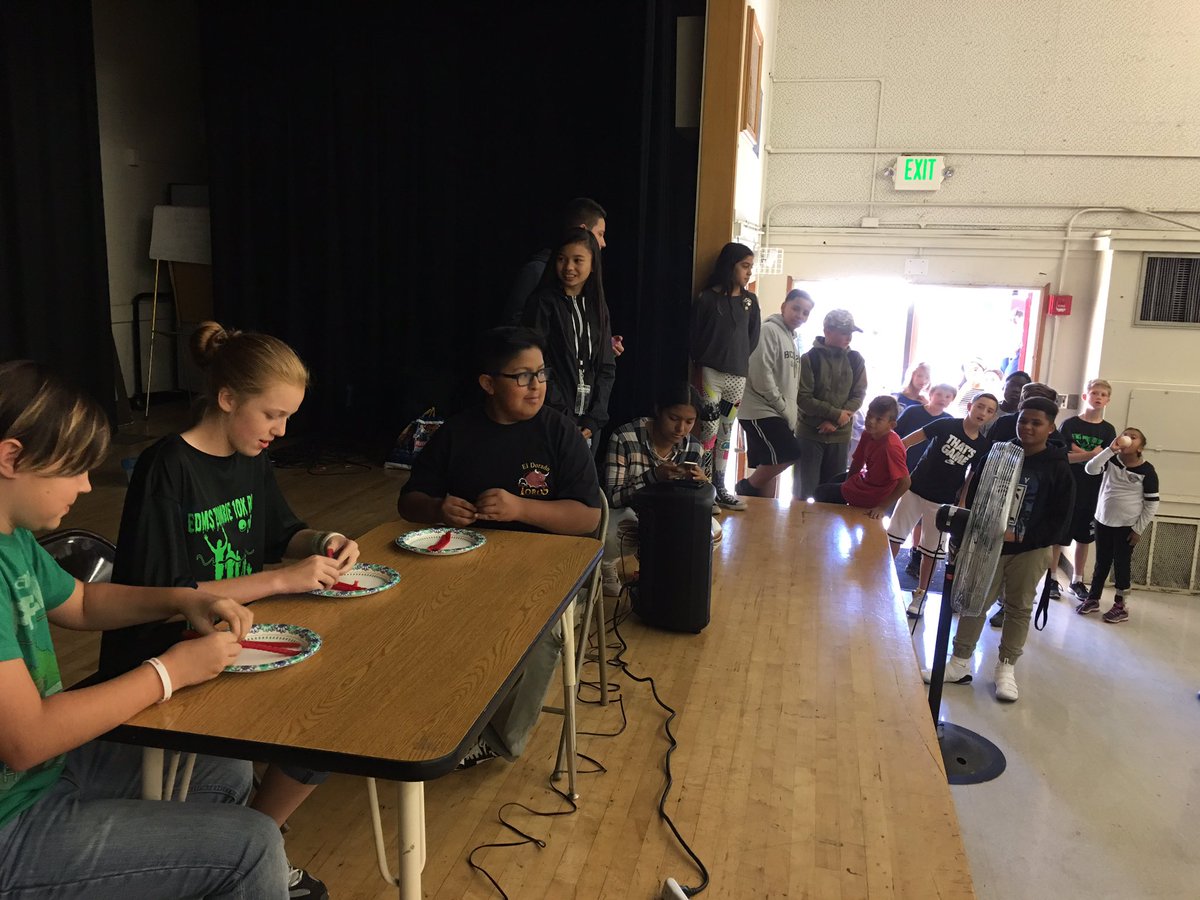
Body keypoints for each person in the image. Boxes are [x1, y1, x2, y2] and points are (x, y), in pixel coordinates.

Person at [0, 360, 289, 898]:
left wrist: (184, 598)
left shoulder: (10, 535)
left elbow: (82, 602)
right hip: (10, 824)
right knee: (252, 847)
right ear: (12, 457)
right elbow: (26, 740)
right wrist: (168, 673)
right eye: (74, 468)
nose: (88, 485)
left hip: (39, 778)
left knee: (223, 771)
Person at [100, 322, 357, 900]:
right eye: (272, 415)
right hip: (167, 652)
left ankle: (254, 839)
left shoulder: (250, 455)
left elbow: (283, 533)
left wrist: (325, 541)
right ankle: (246, 850)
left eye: (287, 417)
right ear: (226, 398)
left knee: (337, 708)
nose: (280, 430)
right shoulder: (168, 466)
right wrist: (280, 579)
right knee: (315, 719)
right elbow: (167, 596)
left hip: (231, 640)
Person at [398, 327, 602, 767]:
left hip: (545, 567)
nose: (536, 386)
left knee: (541, 633)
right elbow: (409, 502)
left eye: (541, 374)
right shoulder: (458, 432)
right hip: (466, 560)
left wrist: (521, 508)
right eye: (522, 376)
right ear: (488, 383)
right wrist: (438, 508)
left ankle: (495, 739)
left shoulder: (560, 432)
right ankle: (427, 714)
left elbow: (588, 517)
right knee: (414, 612)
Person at [925, 397, 1075, 702]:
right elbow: (975, 493)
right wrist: (973, 531)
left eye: (1036, 423)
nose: (1027, 427)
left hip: (1030, 549)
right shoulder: (997, 453)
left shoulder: (1058, 466)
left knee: (1019, 606)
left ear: (1050, 428)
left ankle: (1006, 668)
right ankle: (960, 661)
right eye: (1023, 420)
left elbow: (1061, 517)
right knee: (976, 599)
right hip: (988, 543)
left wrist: (1022, 536)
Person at [888, 393, 998, 617]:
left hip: (943, 501)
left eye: (989, 410)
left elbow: (971, 476)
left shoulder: (983, 445)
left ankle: (921, 594)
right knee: (894, 537)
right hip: (915, 489)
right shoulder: (946, 424)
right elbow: (906, 442)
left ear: (992, 416)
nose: (983, 413)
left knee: (931, 550)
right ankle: (881, 580)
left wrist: (962, 502)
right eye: (980, 406)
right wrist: (899, 474)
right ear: (970, 406)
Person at [602, 383, 713, 596]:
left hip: (667, 515)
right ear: (657, 410)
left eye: (689, 422)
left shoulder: (694, 448)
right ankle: (607, 564)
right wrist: (653, 477)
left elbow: (700, 506)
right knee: (616, 532)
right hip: (628, 512)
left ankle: (659, 570)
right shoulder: (625, 437)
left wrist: (702, 485)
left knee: (710, 534)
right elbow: (612, 498)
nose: (681, 429)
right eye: (673, 418)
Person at [521, 228, 616, 445]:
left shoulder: (598, 307)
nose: (568, 267)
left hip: (589, 425)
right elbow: (536, 364)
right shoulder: (542, 303)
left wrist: (596, 417)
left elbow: (606, 367)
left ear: (593, 264)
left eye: (577, 260)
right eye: (561, 259)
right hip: (551, 417)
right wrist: (563, 415)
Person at [689, 242, 761, 510]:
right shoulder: (707, 298)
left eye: (751, 267)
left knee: (726, 431)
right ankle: (705, 487)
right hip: (711, 375)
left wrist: (736, 358)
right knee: (708, 430)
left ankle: (720, 486)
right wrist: (708, 358)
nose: (748, 272)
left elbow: (752, 338)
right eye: (744, 266)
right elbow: (694, 336)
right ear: (730, 266)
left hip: (737, 378)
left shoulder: (750, 302)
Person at [736, 289, 813, 499]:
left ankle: (762, 513)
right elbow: (760, 374)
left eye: (805, 312)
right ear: (783, 307)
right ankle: (744, 488)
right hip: (760, 410)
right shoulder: (768, 330)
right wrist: (781, 406)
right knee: (789, 453)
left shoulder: (792, 338)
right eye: (796, 308)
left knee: (769, 463)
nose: (800, 315)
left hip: (776, 411)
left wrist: (790, 411)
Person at [1076, 427, 1159, 623]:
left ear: (1140, 447)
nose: (1127, 438)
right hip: (1103, 520)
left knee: (1121, 564)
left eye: (1133, 437)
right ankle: (1093, 598)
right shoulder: (1111, 460)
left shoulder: (1147, 471)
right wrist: (1110, 450)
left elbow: (1152, 504)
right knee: (1102, 562)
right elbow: (1090, 469)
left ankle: (1121, 605)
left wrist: (1138, 529)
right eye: (1125, 434)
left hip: (1127, 526)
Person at [793, 309, 867, 501]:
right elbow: (803, 398)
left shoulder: (856, 359)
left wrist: (836, 421)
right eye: (844, 333)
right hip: (810, 435)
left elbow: (859, 394)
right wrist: (835, 414)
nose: (849, 338)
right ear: (827, 331)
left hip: (840, 436)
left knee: (833, 497)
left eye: (851, 333)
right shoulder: (809, 359)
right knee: (803, 495)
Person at [1056, 379, 1117, 602]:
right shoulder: (1070, 424)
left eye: (1103, 394)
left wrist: (1080, 452)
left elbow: (1106, 459)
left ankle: (1077, 579)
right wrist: (1091, 454)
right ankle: (1052, 578)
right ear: (1085, 396)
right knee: (1060, 535)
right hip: (1068, 486)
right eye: (1094, 393)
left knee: (1084, 537)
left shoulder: (1108, 430)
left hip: (1092, 490)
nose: (1098, 397)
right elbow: (1063, 456)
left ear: (1108, 400)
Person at [505, 197, 608, 327]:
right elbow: (512, 325)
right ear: (582, 231)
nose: (603, 243)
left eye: (578, 261)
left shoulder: (588, 281)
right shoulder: (536, 271)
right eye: (600, 234)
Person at [893, 383, 957, 578]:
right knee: (897, 515)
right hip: (905, 466)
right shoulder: (913, 411)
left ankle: (916, 555)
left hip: (929, 475)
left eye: (948, 396)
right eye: (939, 394)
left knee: (921, 520)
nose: (943, 399)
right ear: (930, 394)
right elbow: (897, 433)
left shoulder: (950, 421)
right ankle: (884, 552)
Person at [812, 395, 910, 519]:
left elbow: (905, 483)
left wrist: (882, 507)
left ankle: (836, 520)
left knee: (821, 492)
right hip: (866, 480)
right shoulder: (867, 433)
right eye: (869, 415)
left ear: (891, 425)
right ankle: (840, 518)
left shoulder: (891, 447)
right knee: (834, 481)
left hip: (876, 493)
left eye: (879, 419)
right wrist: (847, 485)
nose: (871, 421)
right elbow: (857, 462)